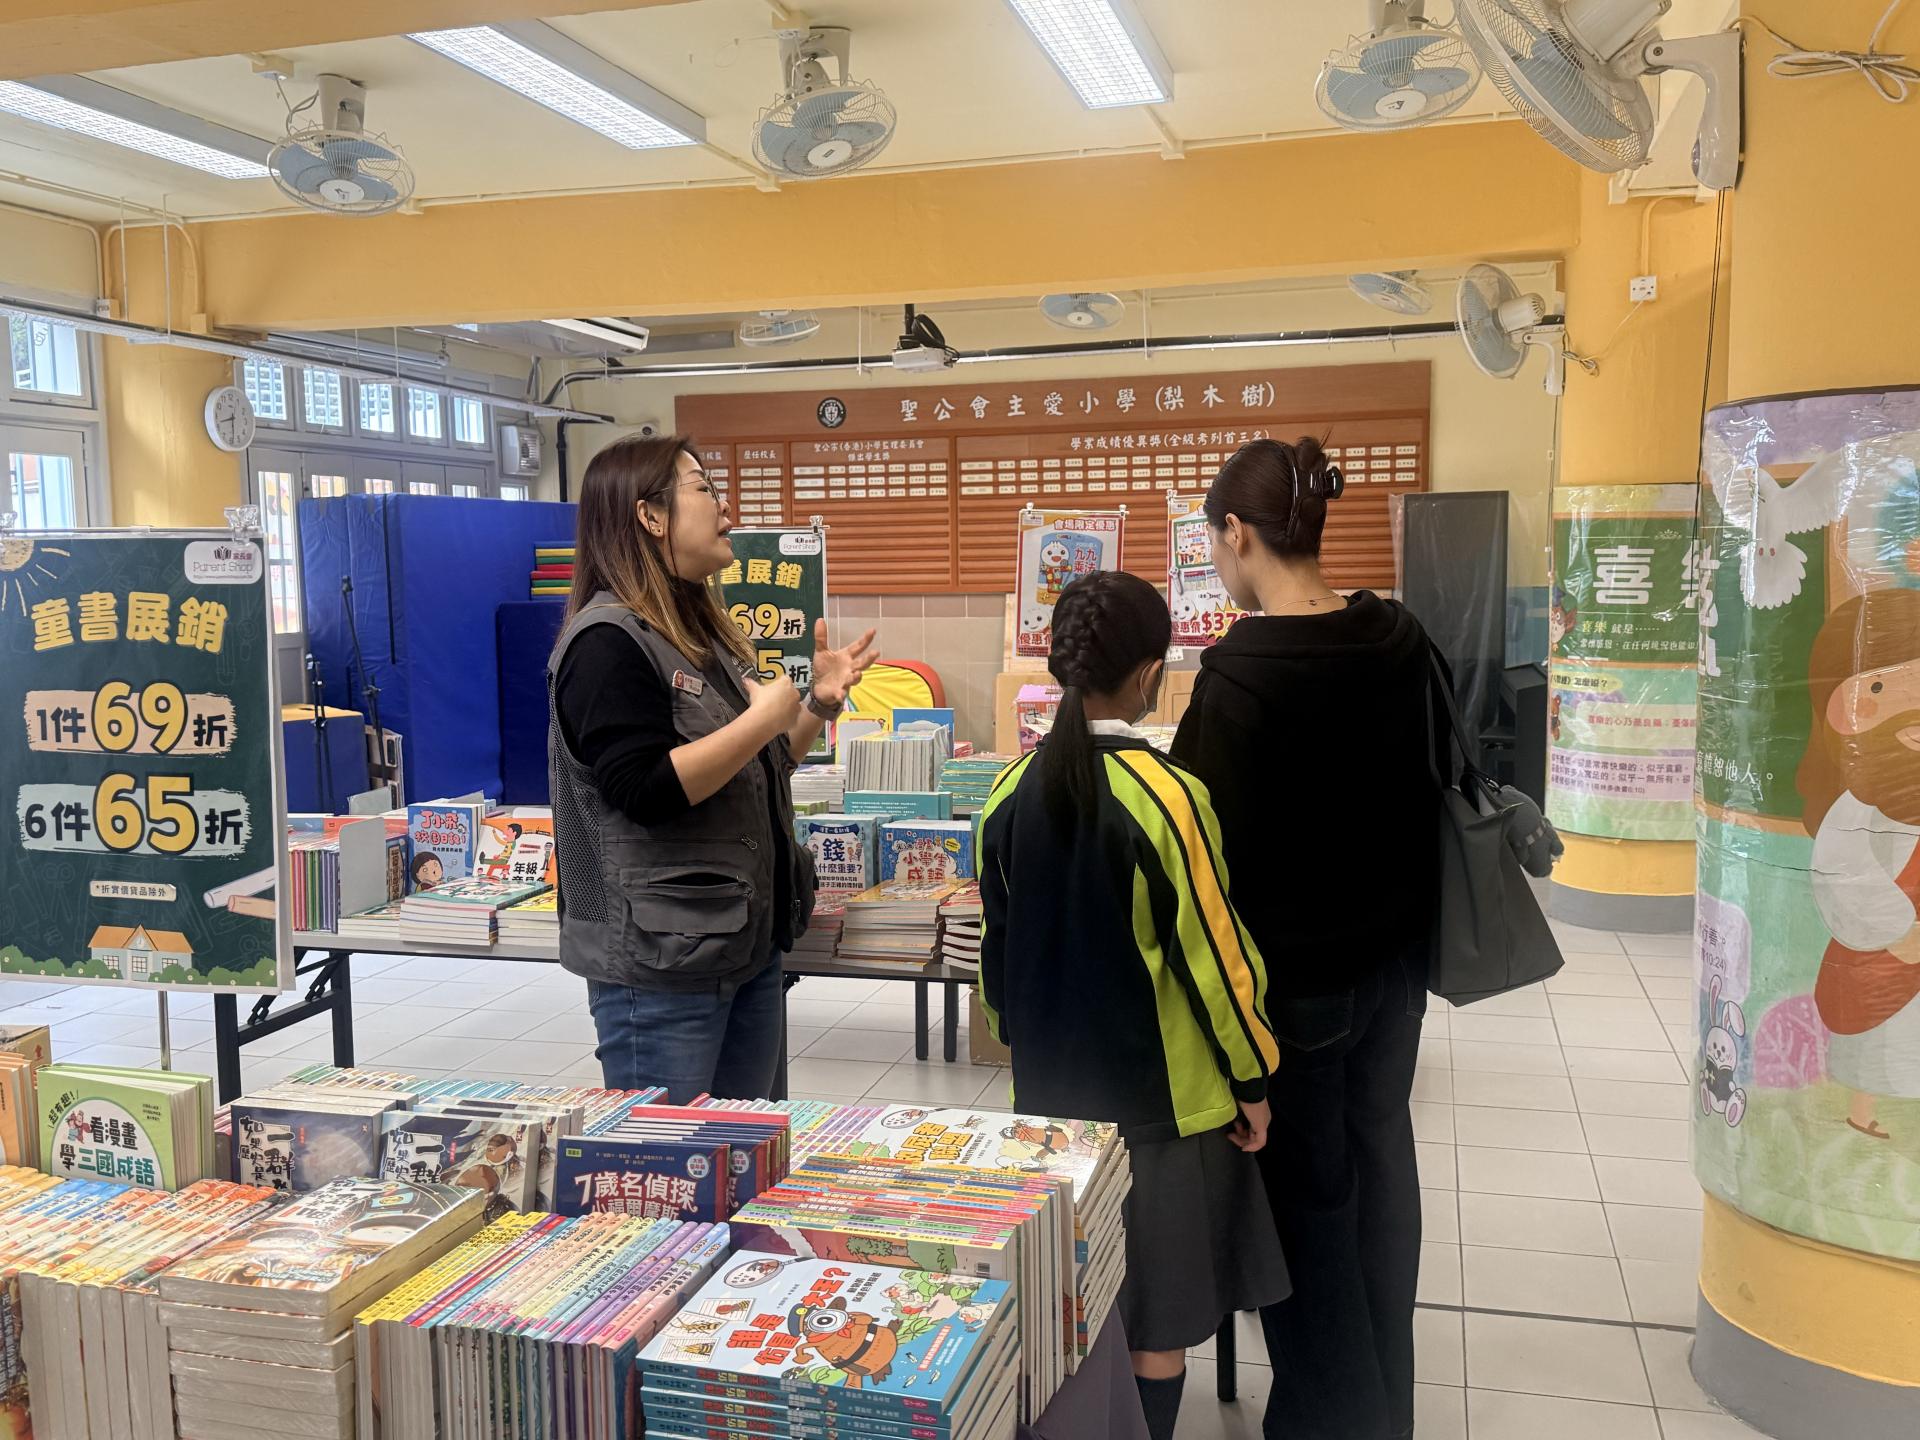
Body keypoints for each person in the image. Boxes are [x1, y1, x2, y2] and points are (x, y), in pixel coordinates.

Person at [1172, 436, 1447, 1440]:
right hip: (1398, 973)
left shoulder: (1238, 678)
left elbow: (1202, 856)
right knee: (1383, 1177)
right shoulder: (1400, 637)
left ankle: (1333, 1421)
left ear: (1237, 534)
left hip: (1295, 995)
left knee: (1309, 1207)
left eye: (1216, 545)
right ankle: (1385, 1411)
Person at [978, 570, 1289, 1440]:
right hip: (1161, 1115)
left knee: (1070, 1307)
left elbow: (995, 964)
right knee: (1156, 1324)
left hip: (1045, 1114)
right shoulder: (1168, 797)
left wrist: (1025, 1044)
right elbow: (1218, 962)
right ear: (1152, 674)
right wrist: (1253, 1078)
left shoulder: (1006, 793)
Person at [547, 434, 876, 1101]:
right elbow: (644, 790)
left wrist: (816, 703)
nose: (727, 509)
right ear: (650, 515)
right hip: (662, 965)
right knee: (667, 1159)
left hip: (742, 945)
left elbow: (758, 765)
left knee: (747, 1150)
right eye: (705, 489)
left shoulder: (698, 635)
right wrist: (761, 719)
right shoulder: (607, 643)